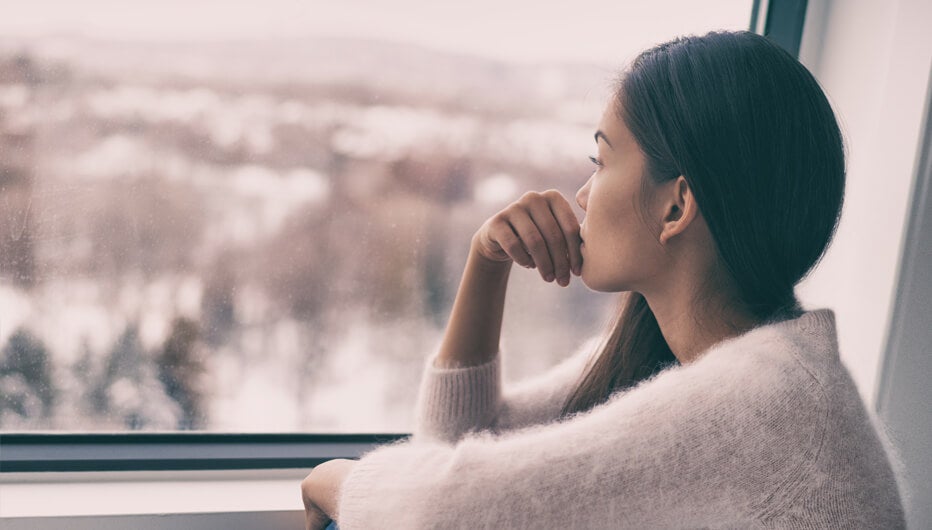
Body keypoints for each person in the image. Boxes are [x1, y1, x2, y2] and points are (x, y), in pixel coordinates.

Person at [300, 30, 906, 529]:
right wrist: (486, 264)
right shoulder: (691, 350)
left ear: (676, 207)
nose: (584, 195)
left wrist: (334, 479)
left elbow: (438, 512)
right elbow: (454, 448)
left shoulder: (767, 404)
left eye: (602, 161)